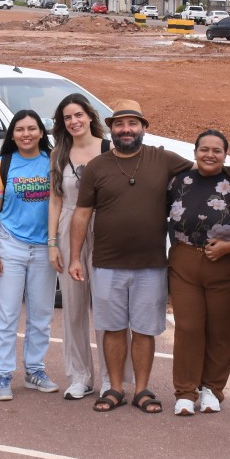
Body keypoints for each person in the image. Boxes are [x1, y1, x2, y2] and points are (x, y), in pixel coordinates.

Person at [69, 100, 191, 414]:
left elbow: (202, 170)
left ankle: (142, 389)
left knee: (144, 329)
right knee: (112, 328)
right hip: (107, 262)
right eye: (120, 124)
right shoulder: (97, 166)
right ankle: (114, 389)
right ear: (111, 129)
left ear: (143, 128)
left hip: (150, 263)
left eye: (132, 123)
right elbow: (82, 214)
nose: (126, 129)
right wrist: (74, 257)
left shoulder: (162, 159)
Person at [166, 129, 230, 416]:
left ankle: (212, 390)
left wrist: (228, 248)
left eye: (217, 150)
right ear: (195, 152)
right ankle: (185, 392)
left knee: (221, 330)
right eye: (204, 149)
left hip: (227, 265)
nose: (210, 154)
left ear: (225, 155)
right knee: (189, 327)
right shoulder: (179, 181)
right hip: (185, 262)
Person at [47, 93, 128, 400]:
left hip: (104, 229)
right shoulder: (59, 154)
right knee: (74, 307)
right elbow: (55, 200)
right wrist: (52, 243)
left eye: (78, 115)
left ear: (89, 116)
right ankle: (80, 375)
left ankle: (111, 377)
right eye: (67, 117)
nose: (74, 121)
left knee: (107, 306)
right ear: (62, 123)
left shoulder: (110, 149)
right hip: (69, 228)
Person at [0, 110, 58, 402]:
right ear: (12, 135)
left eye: (31, 129)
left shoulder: (53, 163)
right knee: (6, 315)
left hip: (44, 249)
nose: (26, 134)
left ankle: (34, 371)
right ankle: (3, 374)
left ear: (41, 132)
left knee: (41, 315)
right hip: (10, 246)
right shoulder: (3, 164)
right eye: (19, 129)